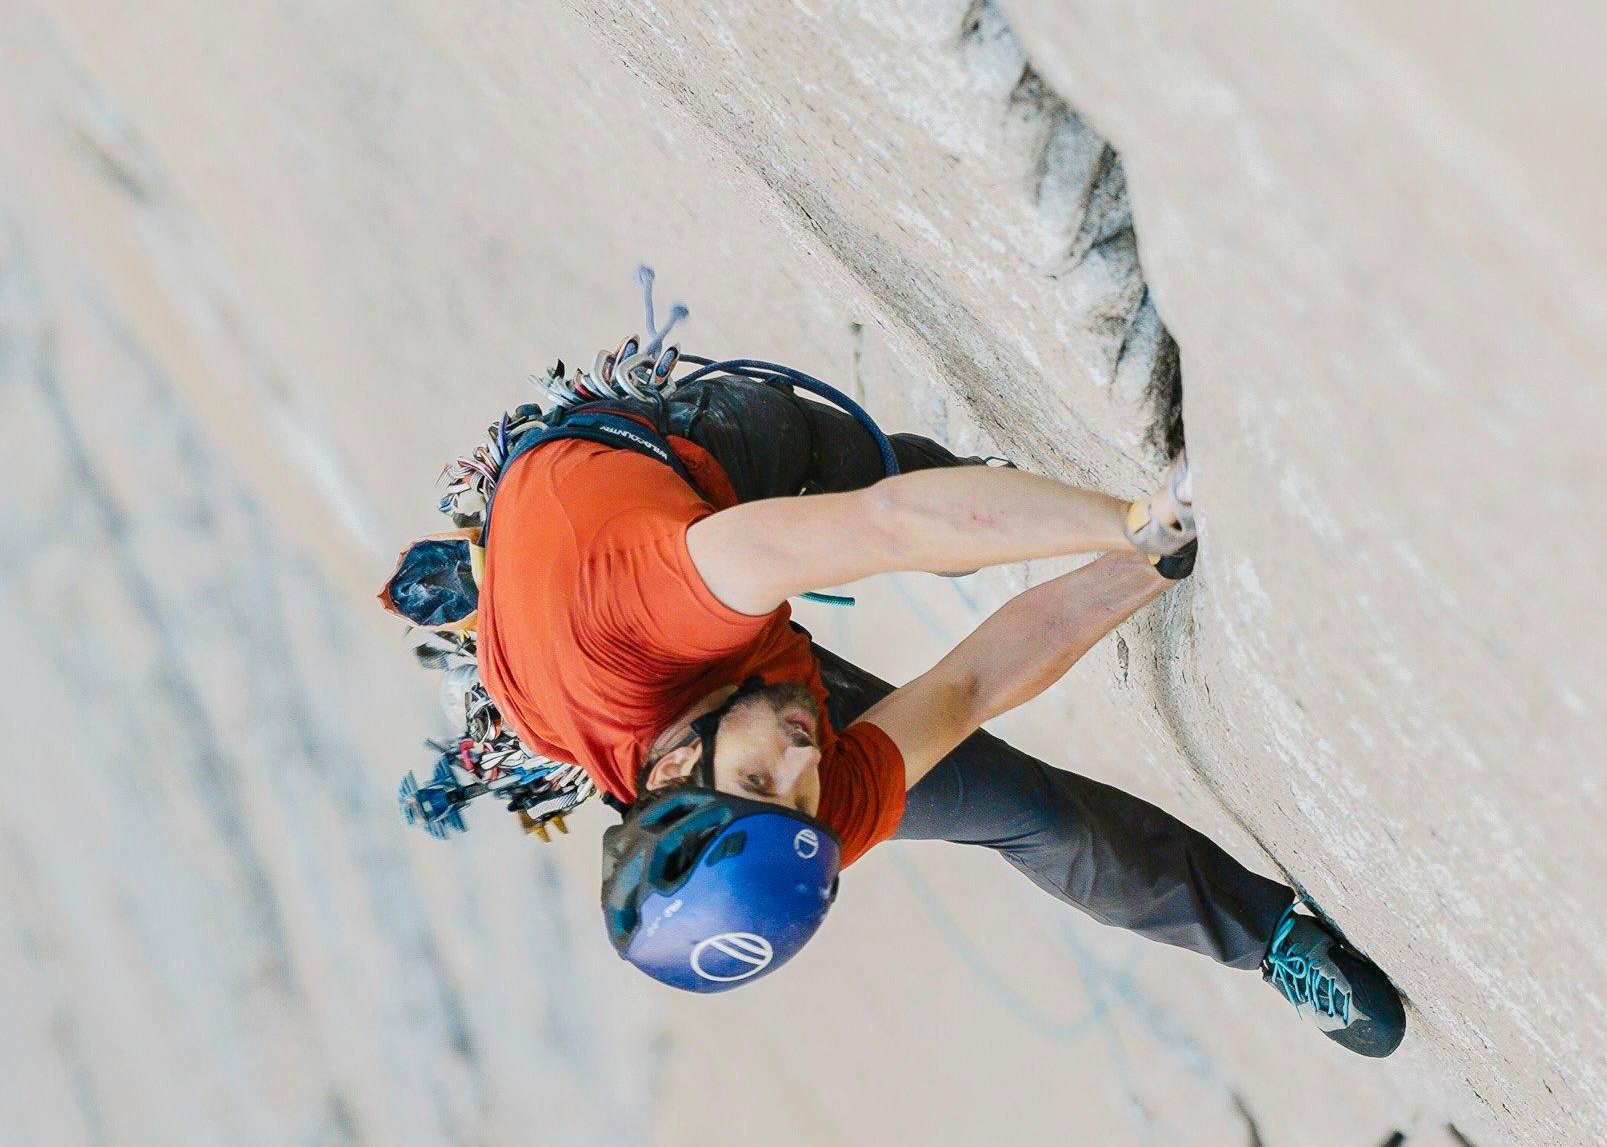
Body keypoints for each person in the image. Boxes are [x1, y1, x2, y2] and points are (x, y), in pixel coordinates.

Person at [459, 363, 1404, 1053]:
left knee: (896, 497)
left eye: (762, 778)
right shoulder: (788, 821)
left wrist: (1127, 517)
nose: (805, 757)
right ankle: (1265, 935)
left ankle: (965, 479)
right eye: (795, 797)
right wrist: (1145, 565)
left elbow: (887, 526)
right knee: (1025, 814)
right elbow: (968, 688)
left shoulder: (634, 609)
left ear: (671, 772)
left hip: (655, 468)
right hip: (691, 679)